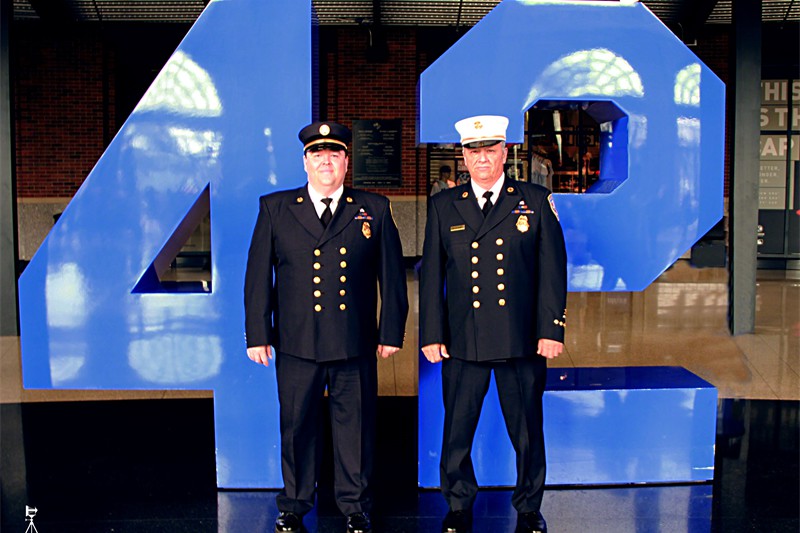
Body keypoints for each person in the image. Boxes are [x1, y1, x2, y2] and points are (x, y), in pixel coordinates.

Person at [244, 121, 409, 533]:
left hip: (353, 341)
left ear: (347, 162)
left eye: (335, 154)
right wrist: (258, 333)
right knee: (297, 426)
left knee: (354, 427)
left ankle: (355, 505)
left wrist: (390, 331)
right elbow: (257, 276)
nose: (326, 162)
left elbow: (391, 276)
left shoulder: (374, 207)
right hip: (297, 341)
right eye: (318, 155)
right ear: (305, 162)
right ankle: (295, 504)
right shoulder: (276, 208)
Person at [419, 115, 567, 533]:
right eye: (473, 151)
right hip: (464, 338)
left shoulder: (535, 200)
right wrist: (432, 333)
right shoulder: (444, 205)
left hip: (520, 338)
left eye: (490, 149)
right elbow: (433, 274)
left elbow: (552, 272)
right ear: (463, 157)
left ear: (505, 153)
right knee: (457, 428)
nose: (481, 158)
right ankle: (459, 501)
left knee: (526, 429)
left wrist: (551, 329)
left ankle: (528, 505)